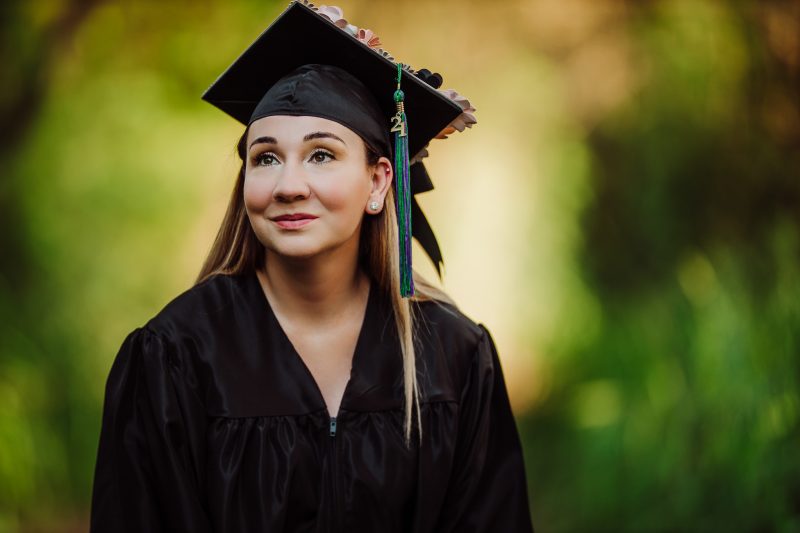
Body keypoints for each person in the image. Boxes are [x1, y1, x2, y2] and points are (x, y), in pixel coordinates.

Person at [89, 2, 535, 532]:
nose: (288, 186)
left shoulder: (452, 357)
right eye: (266, 158)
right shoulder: (175, 356)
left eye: (321, 155)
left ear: (378, 182)